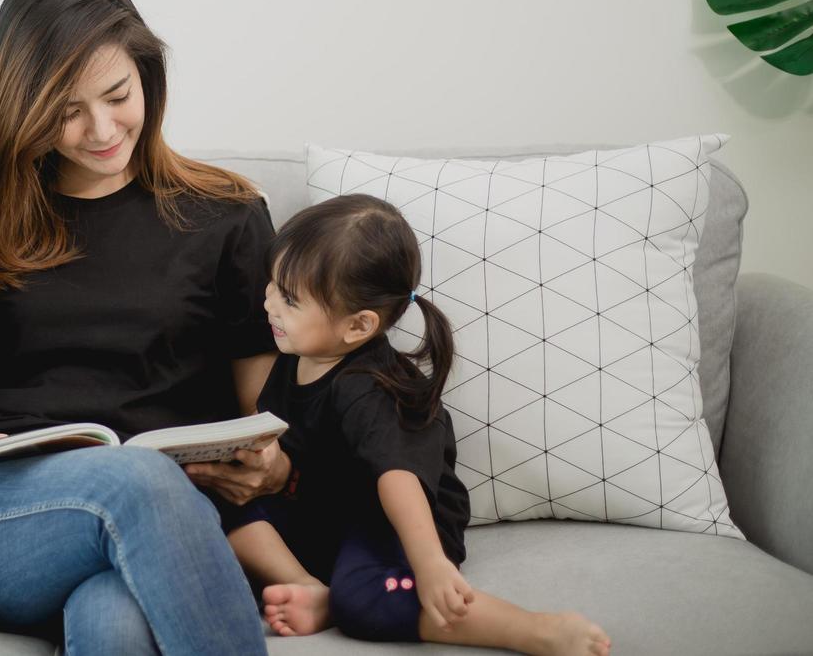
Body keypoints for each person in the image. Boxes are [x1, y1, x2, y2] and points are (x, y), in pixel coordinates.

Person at [0, 0, 283, 655]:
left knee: (113, 617)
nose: (101, 130)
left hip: (158, 521)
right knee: (135, 482)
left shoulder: (228, 216)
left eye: (117, 95)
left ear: (148, 78)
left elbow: (270, 409)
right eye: (65, 111)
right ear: (23, 108)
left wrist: (276, 466)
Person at [229, 193, 612, 655]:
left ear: (357, 326)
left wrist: (429, 563)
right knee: (217, 504)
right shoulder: (297, 357)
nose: (268, 301)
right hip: (330, 513)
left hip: (399, 523)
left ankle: (536, 630)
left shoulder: (367, 387)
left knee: (364, 600)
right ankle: (310, 588)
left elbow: (397, 477)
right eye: (272, 284)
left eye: (288, 299)